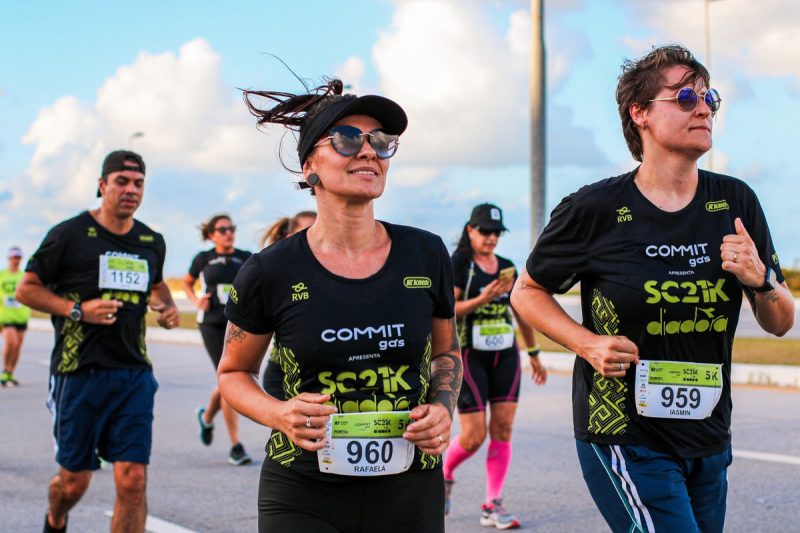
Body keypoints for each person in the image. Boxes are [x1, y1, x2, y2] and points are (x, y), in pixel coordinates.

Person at [510, 45, 794, 533]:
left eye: (710, 98)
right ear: (639, 113)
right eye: (685, 96)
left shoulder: (735, 200)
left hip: (708, 437)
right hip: (625, 435)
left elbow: (781, 321)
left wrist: (760, 280)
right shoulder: (595, 208)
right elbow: (527, 291)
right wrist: (587, 343)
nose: (703, 108)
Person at [219, 78, 462, 533]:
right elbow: (233, 373)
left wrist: (443, 408)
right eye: (349, 138)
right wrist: (279, 414)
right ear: (310, 163)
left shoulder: (426, 254)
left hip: (409, 488)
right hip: (304, 490)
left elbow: (447, 353)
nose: (369, 151)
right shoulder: (269, 271)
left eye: (382, 142)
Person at [16, 149, 180, 533]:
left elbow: (157, 287)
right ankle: (56, 518)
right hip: (78, 373)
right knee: (73, 483)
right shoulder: (69, 235)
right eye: (121, 182)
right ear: (101, 185)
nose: (131, 190)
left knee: (133, 481)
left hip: (133, 373)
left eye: (138, 183)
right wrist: (77, 310)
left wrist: (167, 308)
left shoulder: (150, 240)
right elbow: (27, 290)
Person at [443, 203, 547, 529]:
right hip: (469, 357)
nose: (491, 238)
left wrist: (533, 352)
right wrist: (484, 298)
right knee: (474, 436)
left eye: (496, 232)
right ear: (470, 230)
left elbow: (522, 312)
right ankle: (443, 472)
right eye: (485, 231)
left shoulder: (507, 267)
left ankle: (492, 504)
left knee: (502, 429)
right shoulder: (460, 264)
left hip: (506, 356)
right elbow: (448, 310)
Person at [183, 214, 252, 465]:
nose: (228, 233)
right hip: (211, 323)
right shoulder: (203, 259)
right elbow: (187, 283)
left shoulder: (246, 257)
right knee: (229, 379)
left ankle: (207, 418)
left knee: (226, 380)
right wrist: (195, 300)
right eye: (222, 229)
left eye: (231, 228)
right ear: (211, 234)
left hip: (238, 322)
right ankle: (236, 446)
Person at [257, 210, 317, 396]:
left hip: (323, 379)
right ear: (290, 236)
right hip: (284, 377)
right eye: (308, 231)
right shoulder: (275, 273)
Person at [0, 246, 31, 387]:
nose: (16, 260)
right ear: (9, 259)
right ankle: (5, 370)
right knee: (11, 342)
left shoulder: (23, 276)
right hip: (5, 317)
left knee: (17, 346)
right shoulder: (2, 275)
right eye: (14, 258)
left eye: (18, 258)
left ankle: (10, 372)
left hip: (21, 316)